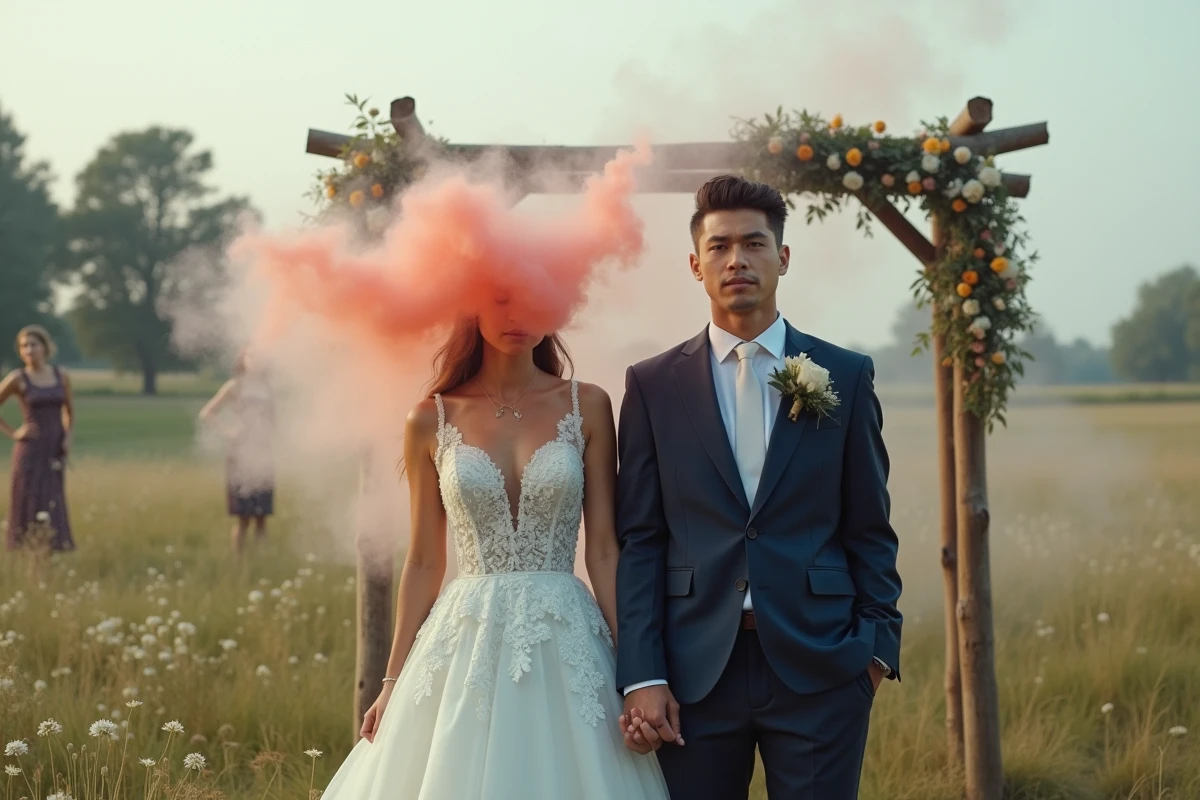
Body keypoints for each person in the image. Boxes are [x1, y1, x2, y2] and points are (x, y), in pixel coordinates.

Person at [614, 175, 903, 798]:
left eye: (753, 243)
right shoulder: (651, 385)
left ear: (784, 257)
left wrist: (876, 649)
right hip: (693, 674)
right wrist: (641, 673)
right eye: (718, 247)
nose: (736, 259)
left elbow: (870, 525)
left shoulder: (845, 376)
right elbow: (640, 539)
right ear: (696, 265)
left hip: (821, 666)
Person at [317, 300, 669, 799]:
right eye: (501, 298)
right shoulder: (429, 418)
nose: (518, 312)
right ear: (471, 307)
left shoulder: (587, 404)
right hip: (466, 637)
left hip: (566, 634)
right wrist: (392, 678)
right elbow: (423, 560)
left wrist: (634, 671)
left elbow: (605, 551)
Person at [1, 325, 75, 552]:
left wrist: (66, 437)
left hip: (54, 448)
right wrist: (14, 432)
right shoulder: (18, 378)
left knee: (52, 498)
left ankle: (52, 548)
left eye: (33, 344)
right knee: (30, 498)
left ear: (45, 347)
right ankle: (27, 550)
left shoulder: (60, 376)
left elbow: (69, 412)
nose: (29, 350)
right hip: (30, 448)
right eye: (24, 346)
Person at [198, 349, 276, 553]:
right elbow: (208, 412)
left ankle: (263, 561)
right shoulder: (235, 386)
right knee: (243, 518)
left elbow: (274, 421)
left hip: (262, 453)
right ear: (243, 360)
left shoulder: (267, 388)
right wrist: (228, 431)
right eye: (251, 356)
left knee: (262, 518)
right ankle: (239, 562)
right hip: (240, 452)